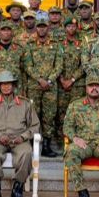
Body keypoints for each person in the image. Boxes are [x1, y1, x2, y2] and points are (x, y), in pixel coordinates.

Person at [0, 71, 41, 197]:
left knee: (26, 153)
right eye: (3, 84)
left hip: (19, 140)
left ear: (14, 86)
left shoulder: (25, 104)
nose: (6, 87)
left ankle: (17, 191)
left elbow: (35, 125)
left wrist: (23, 137)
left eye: (9, 84)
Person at [22, 19, 62, 158]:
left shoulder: (56, 45)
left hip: (50, 87)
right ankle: (32, 144)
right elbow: (27, 65)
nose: (42, 29)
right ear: (36, 28)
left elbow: (59, 65)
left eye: (44, 27)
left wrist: (49, 80)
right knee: (33, 115)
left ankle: (46, 146)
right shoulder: (30, 45)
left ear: (48, 28)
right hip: (34, 86)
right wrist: (40, 80)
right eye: (39, 27)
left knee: (49, 116)